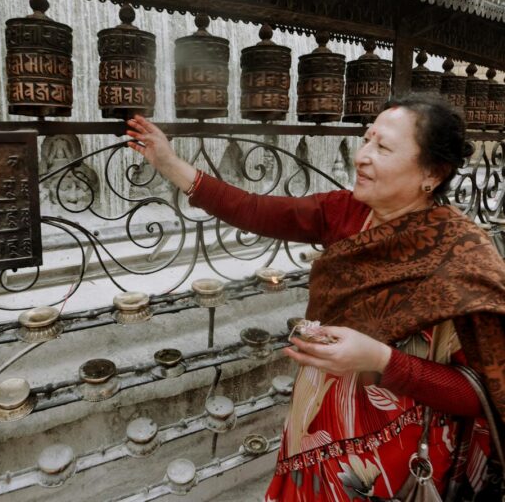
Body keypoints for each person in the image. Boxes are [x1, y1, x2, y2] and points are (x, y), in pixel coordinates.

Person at [126, 96, 505, 502]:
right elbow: (255, 209)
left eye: (383, 147)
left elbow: (483, 390)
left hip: (397, 458)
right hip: (317, 429)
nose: (361, 157)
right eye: (366, 140)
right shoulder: (345, 213)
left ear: (432, 172)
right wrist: (168, 163)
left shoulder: (462, 256)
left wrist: (381, 362)